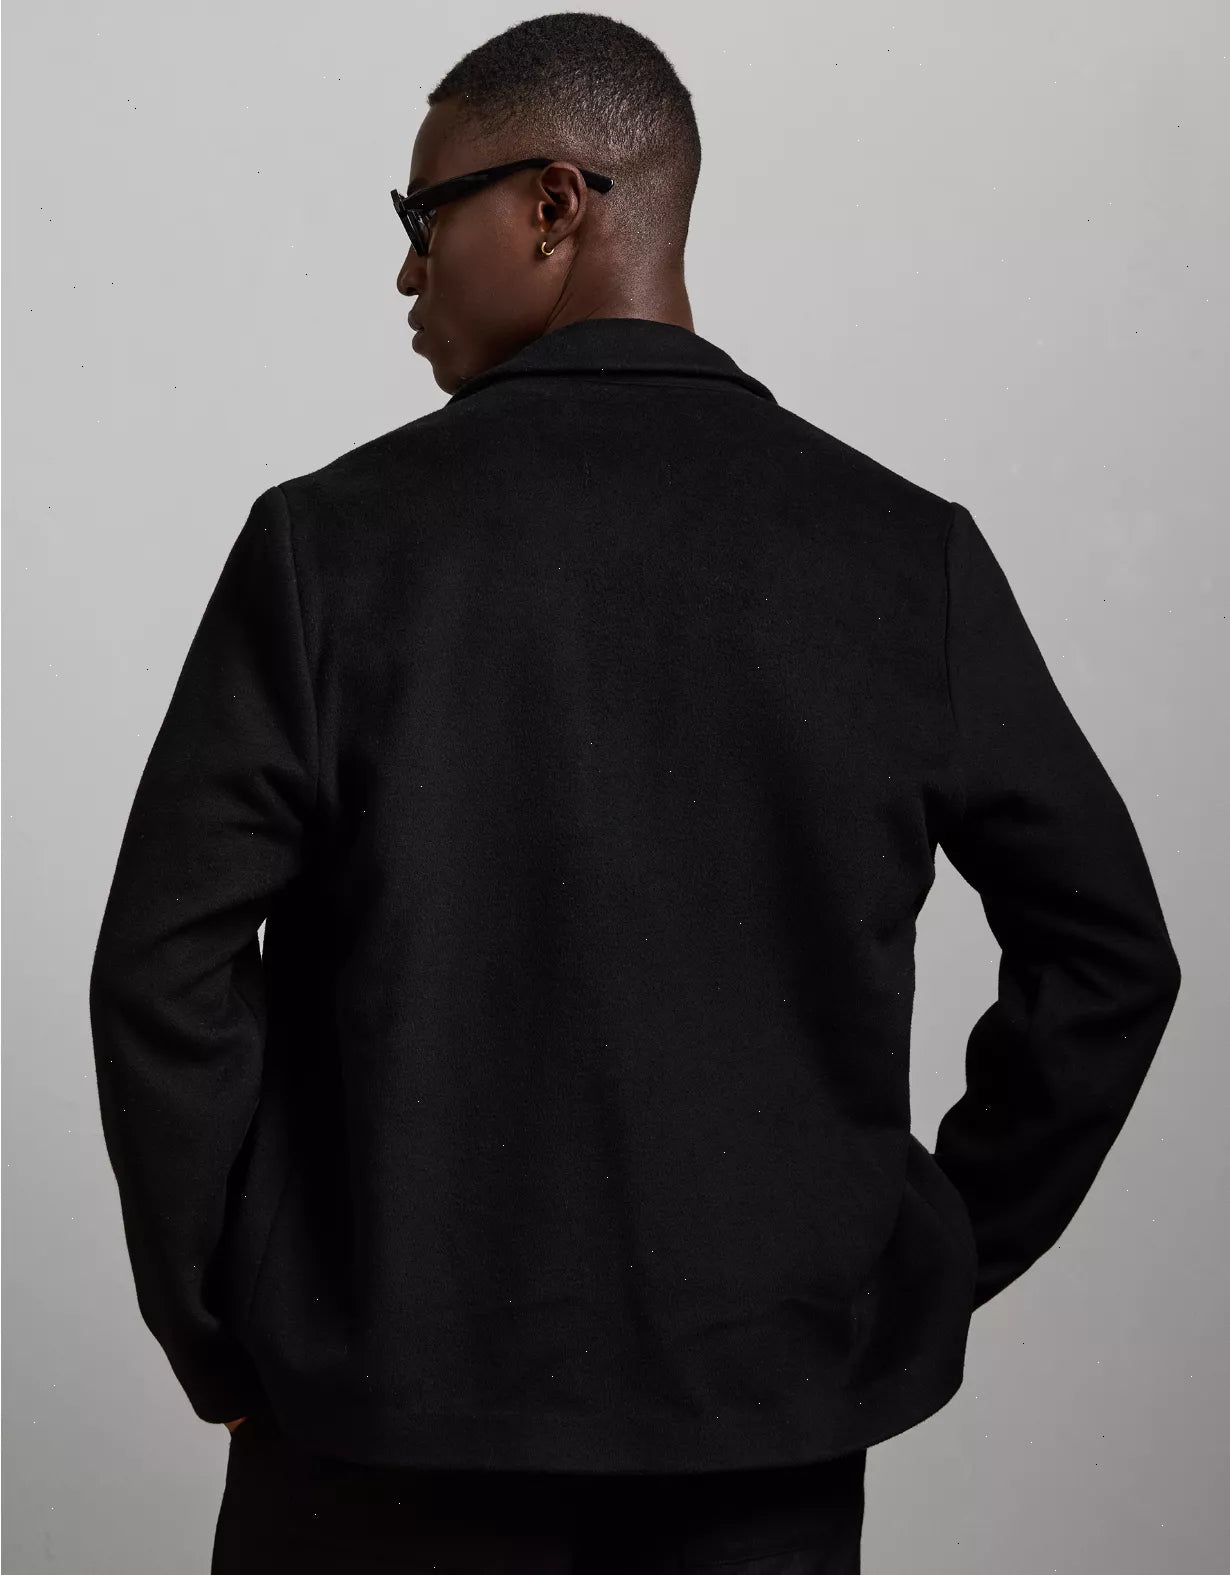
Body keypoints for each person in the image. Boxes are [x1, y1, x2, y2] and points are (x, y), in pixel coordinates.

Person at [88, 12, 1182, 1574]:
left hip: (367, 1431)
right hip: (753, 1440)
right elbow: (1108, 954)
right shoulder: (896, 556)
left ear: (554, 204)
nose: (403, 271)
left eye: (422, 217)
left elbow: (164, 969)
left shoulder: (329, 548)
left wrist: (231, 1322)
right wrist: (913, 1255)